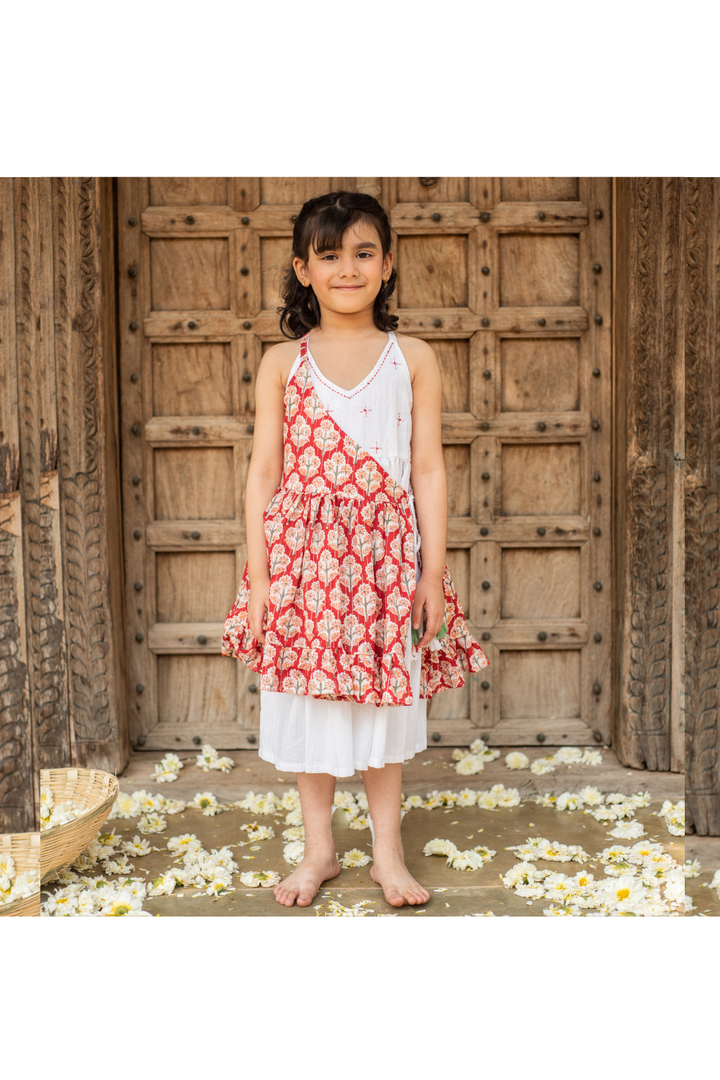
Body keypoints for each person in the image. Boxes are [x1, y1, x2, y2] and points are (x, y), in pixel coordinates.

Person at [222, 191, 489, 909]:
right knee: (308, 702)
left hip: (382, 564)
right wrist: (262, 576)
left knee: (380, 709)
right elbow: (264, 475)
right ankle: (318, 852)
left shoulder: (415, 358)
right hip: (304, 563)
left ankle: (387, 855)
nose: (348, 268)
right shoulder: (284, 362)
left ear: (388, 264)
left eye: (363, 252)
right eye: (330, 254)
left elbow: (427, 466)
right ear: (303, 269)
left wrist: (432, 570)